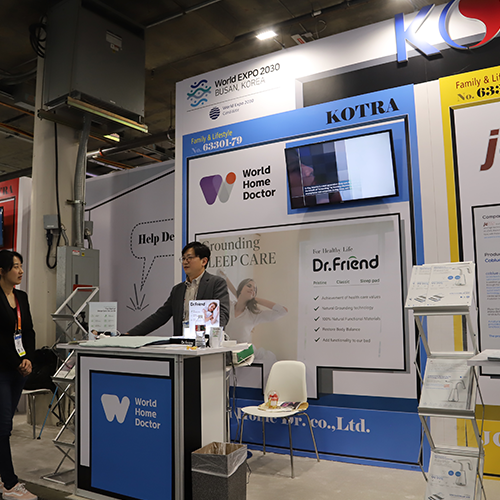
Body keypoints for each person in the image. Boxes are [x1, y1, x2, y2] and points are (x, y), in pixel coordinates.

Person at [127, 241, 229, 336]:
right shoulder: (178, 290)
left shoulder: (216, 283)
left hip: (205, 343)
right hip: (181, 345)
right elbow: (159, 317)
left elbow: (222, 315)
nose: (185, 262)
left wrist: (211, 336)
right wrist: (130, 335)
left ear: (204, 261)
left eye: (189, 258)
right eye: (183, 259)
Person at [0, 250, 37, 500]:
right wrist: (17, 362)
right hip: (3, 368)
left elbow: (29, 331)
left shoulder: (21, 296)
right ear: (1, 271)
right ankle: (10, 484)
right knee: (3, 426)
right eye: (15, 266)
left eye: (21, 265)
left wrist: (28, 359)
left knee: (5, 424)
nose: (20, 271)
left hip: (19, 368)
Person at [220, 272, 287, 384]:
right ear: (240, 289)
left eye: (255, 289)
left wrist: (255, 299)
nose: (252, 289)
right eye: (249, 286)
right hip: (226, 350)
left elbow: (283, 311)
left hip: (245, 351)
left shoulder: (254, 314)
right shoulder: (229, 306)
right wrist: (225, 278)